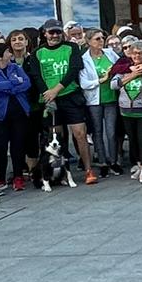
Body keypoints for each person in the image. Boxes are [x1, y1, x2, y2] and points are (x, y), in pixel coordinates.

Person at [30, 18, 97, 184]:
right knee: (56, 137)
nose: (55, 35)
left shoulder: (72, 48)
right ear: (44, 33)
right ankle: (59, 173)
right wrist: (48, 93)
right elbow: (36, 76)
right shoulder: (37, 53)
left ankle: (88, 169)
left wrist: (56, 89)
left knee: (80, 134)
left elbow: (74, 69)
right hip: (49, 99)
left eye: (58, 32)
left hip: (70, 96)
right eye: (51, 32)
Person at [0, 42, 32, 192]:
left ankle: (18, 177)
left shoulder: (16, 67)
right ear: (0, 56)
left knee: (18, 146)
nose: (11, 54)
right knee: (0, 147)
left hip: (19, 113)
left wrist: (7, 86)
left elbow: (27, 83)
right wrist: (14, 83)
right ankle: (0, 178)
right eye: (8, 51)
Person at [110, 40, 142, 183]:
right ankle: (138, 164)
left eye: (140, 53)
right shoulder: (124, 68)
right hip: (126, 110)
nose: (136, 56)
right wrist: (132, 75)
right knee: (133, 140)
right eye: (134, 53)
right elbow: (113, 85)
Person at [79, 30, 122, 177]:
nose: (101, 41)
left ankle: (113, 161)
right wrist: (100, 80)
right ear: (89, 41)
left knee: (111, 131)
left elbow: (120, 67)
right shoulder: (84, 59)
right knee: (97, 132)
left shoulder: (110, 53)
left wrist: (114, 74)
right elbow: (83, 83)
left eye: (102, 38)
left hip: (111, 98)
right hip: (94, 100)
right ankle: (102, 162)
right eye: (97, 39)